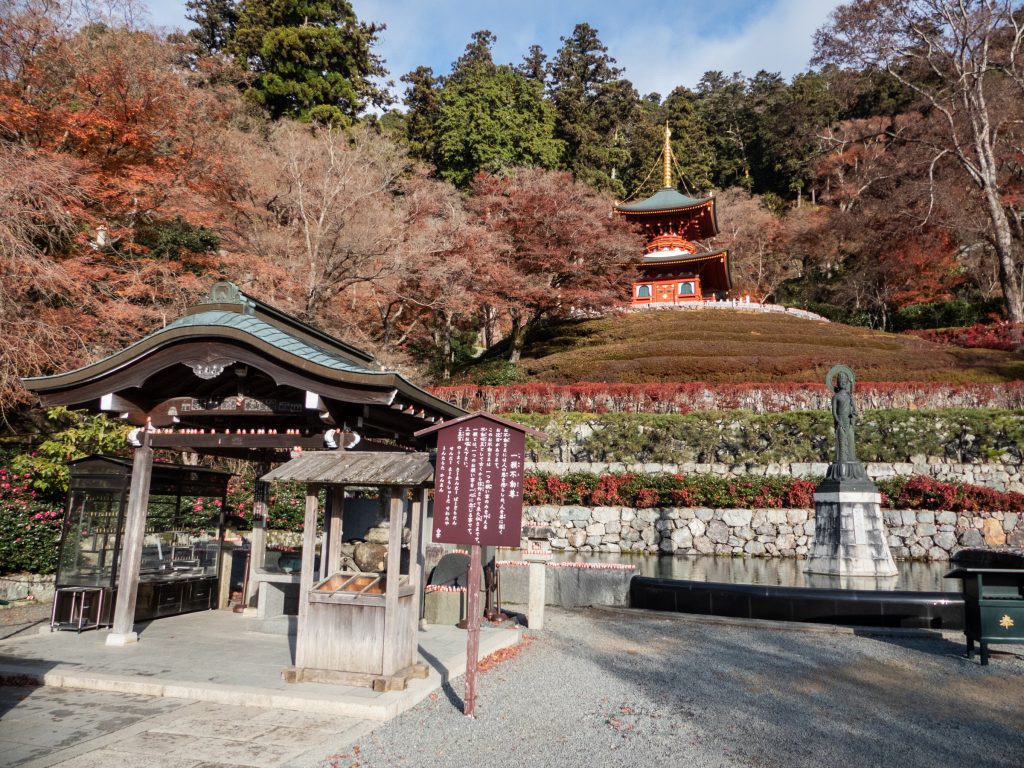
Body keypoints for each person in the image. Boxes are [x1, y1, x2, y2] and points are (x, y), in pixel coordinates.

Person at [832, 371, 857, 464]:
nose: (842, 382)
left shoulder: (849, 396)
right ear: (837, 383)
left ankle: (851, 458)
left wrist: (854, 413)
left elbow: (854, 408)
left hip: (849, 421)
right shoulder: (836, 397)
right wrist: (838, 420)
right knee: (842, 442)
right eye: (840, 381)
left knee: (850, 440)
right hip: (841, 421)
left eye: (844, 381)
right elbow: (834, 412)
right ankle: (842, 460)